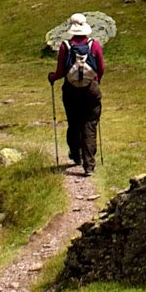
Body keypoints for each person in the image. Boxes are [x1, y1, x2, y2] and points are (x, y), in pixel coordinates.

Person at [47, 12, 104, 175]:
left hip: (71, 90)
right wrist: (96, 78)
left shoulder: (65, 46)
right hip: (91, 89)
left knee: (74, 122)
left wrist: (51, 77)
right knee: (90, 124)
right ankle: (89, 166)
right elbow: (101, 67)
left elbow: (60, 71)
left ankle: (76, 155)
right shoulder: (95, 45)